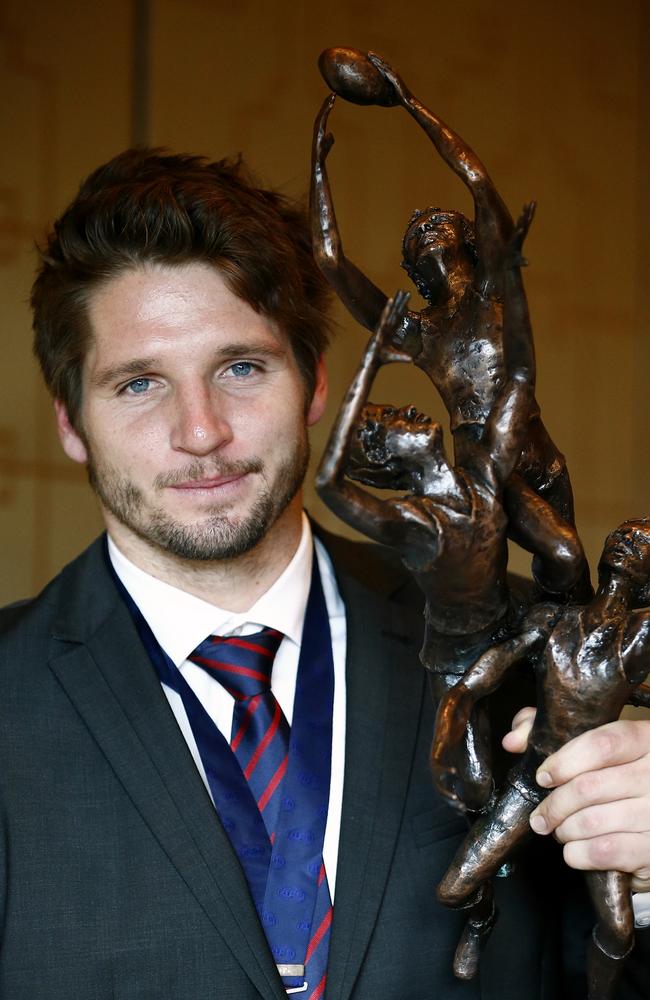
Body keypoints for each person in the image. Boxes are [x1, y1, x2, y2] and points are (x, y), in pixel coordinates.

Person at [0, 147, 647, 1000]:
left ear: (315, 386)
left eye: (241, 367)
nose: (201, 432)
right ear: (72, 421)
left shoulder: (519, 643)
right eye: (139, 384)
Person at [315, 208, 585, 814]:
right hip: (460, 657)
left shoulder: (485, 475)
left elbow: (519, 373)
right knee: (471, 786)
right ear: (390, 461)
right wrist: (369, 363)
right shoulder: (417, 526)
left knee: (567, 565)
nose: (407, 412)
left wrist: (512, 276)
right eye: (390, 424)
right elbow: (330, 485)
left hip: (506, 630)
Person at [310, 54, 589, 601]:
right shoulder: (415, 330)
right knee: (557, 556)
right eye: (415, 234)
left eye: (437, 224)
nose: (425, 227)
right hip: (488, 463)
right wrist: (318, 167)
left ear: (468, 241)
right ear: (413, 269)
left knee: (573, 589)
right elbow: (328, 258)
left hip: (541, 450)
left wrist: (410, 103)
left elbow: (477, 179)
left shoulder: (494, 291)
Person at [431, 519, 650, 997]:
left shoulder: (639, 637)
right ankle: (481, 922)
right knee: (453, 890)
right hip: (530, 782)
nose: (628, 543)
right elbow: (495, 664)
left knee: (618, 930)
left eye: (641, 543)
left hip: (592, 802)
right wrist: (460, 699)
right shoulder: (552, 619)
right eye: (623, 536)